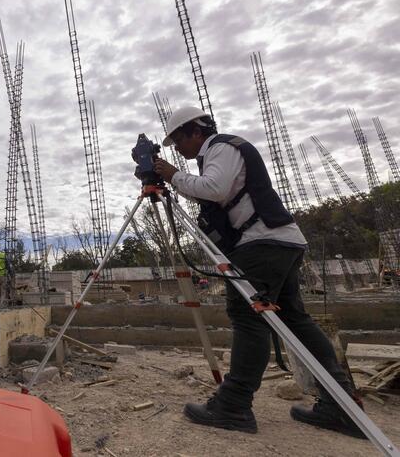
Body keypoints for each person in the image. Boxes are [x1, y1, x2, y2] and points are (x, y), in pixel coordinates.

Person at [153, 106, 364, 439]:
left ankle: (233, 405)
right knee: (295, 321)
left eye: (178, 140)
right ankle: (342, 405)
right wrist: (175, 179)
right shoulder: (220, 152)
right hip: (280, 242)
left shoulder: (221, 147)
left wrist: (171, 175)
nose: (177, 149)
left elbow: (214, 189)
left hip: (264, 243)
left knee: (247, 316)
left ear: (196, 130)